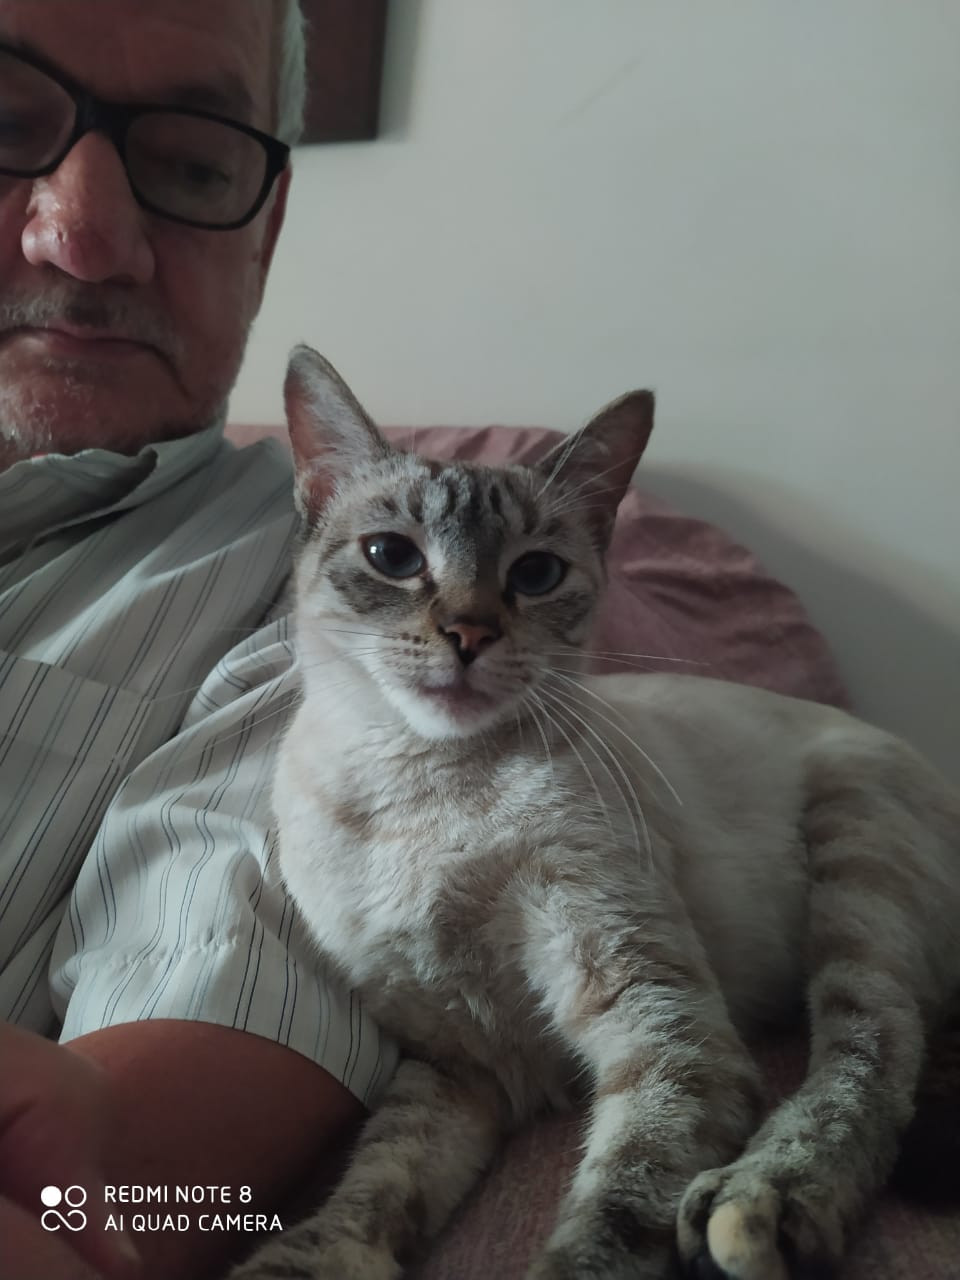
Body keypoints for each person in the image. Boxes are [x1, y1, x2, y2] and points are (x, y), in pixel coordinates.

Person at [0, 3, 396, 1278]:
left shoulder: (331, 598)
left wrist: (82, 1187)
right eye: (0, 122)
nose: (86, 237)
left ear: (264, 232)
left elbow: (122, 1186)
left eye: (190, 164)